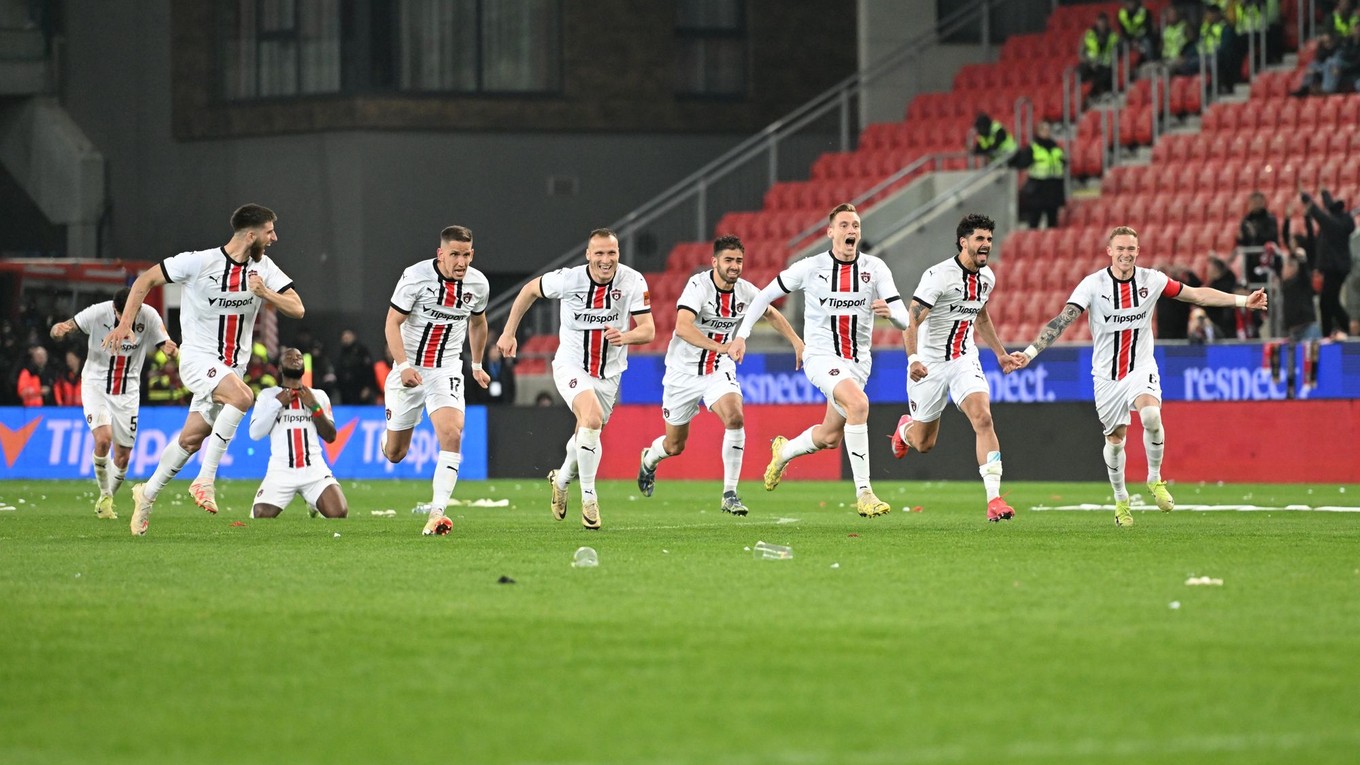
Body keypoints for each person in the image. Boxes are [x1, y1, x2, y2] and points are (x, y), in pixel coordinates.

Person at [1009, 226, 1267, 527]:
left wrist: (1241, 301)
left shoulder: (1152, 280)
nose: (1126, 254)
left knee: (1151, 417)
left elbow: (1196, 295)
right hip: (1106, 377)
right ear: (1110, 251)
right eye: (1120, 248)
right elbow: (1062, 321)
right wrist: (1029, 352)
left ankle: (1155, 480)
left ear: (1138, 251)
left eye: (1131, 249)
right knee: (1116, 441)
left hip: (1140, 367)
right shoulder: (1092, 285)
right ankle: (1121, 501)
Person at [106, 203, 304, 536]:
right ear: (251, 234)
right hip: (197, 359)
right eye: (269, 231)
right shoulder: (198, 262)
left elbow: (297, 309)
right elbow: (144, 280)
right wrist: (125, 323)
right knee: (242, 398)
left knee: (192, 439)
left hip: (231, 368)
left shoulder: (264, 268)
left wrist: (266, 293)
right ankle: (205, 480)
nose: (274, 238)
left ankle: (147, 494)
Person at [728, 203, 909, 518]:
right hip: (821, 356)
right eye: (844, 225)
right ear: (830, 232)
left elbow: (905, 320)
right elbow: (763, 296)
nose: (851, 231)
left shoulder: (875, 268)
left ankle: (783, 451)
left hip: (858, 364)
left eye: (855, 225)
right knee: (859, 404)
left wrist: (891, 314)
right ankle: (864, 493)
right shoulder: (811, 267)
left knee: (829, 437)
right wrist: (743, 335)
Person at [498, 228, 654, 531]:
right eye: (599, 253)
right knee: (592, 419)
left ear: (618, 254)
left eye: (611, 253)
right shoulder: (569, 279)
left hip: (609, 373)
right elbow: (530, 289)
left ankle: (562, 478)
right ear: (588, 255)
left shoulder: (633, 280)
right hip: (571, 365)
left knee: (587, 431)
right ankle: (589, 499)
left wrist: (626, 336)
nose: (606, 260)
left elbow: (648, 329)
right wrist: (508, 331)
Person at [636, 235, 804, 516]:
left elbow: (771, 313)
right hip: (682, 373)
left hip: (717, 368)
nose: (734, 266)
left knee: (735, 416)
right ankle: (649, 459)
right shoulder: (698, 286)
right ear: (715, 262)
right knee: (674, 445)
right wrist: (721, 346)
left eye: (738, 260)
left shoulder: (746, 291)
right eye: (728, 260)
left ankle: (730, 493)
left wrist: (797, 342)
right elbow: (683, 327)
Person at [889, 213, 1020, 520]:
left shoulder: (987, 278)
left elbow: (981, 316)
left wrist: (1000, 353)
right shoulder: (938, 276)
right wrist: (913, 359)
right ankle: (905, 429)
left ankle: (994, 500)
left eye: (989, 239)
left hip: (964, 358)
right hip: (930, 364)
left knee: (983, 418)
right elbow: (912, 319)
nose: (986, 244)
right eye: (979, 239)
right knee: (924, 443)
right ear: (964, 242)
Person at [381, 225, 491, 536]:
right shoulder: (415, 277)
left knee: (452, 434)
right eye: (454, 254)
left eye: (466, 255)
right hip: (410, 369)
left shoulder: (478, 284)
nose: (461, 262)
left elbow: (479, 323)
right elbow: (392, 322)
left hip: (446, 370)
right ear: (440, 253)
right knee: (395, 453)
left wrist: (477, 364)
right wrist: (402, 366)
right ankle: (386, 440)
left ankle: (437, 512)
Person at [49, 287, 176, 519]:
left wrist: (169, 348)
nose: (125, 318)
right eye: (121, 314)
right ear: (115, 309)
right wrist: (59, 329)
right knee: (103, 439)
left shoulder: (149, 315)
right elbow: (66, 326)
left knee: (123, 457)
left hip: (127, 391)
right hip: (95, 384)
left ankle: (106, 498)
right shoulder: (98, 313)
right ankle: (106, 495)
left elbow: (164, 341)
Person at [247, 347, 347, 519]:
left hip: (314, 469)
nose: (295, 359)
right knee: (261, 515)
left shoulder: (318, 396)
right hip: (281, 471)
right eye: (289, 356)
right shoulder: (268, 396)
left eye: (299, 356)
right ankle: (311, 501)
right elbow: (255, 434)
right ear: (279, 366)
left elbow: (330, 437)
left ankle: (313, 503)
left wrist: (314, 407)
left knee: (339, 513)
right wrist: (277, 404)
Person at [1302, 189, 1355, 337]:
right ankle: (1328, 335)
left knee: (1330, 301)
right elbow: (1328, 207)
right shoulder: (1342, 221)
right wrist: (1324, 192)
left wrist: (1309, 203)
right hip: (1333, 268)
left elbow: (1323, 218)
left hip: (1335, 268)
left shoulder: (1336, 225)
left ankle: (1349, 331)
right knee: (1326, 302)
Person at [1009, 121, 1066, 229]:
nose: (1047, 132)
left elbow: (1063, 163)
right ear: (1038, 132)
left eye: (1048, 130)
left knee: (1052, 221)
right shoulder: (1033, 148)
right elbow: (1022, 163)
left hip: (1054, 189)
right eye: (1044, 130)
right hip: (1038, 190)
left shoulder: (1056, 148)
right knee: (1034, 220)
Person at [1154, 263, 1201, 339]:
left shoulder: (1183, 291)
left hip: (1180, 336)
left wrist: (1187, 271)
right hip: (1164, 336)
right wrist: (1156, 271)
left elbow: (1197, 287)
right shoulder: (1161, 290)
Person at [465, 336, 516, 405]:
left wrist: (509, 401)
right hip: (484, 401)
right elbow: (472, 386)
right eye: (493, 351)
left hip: (503, 402)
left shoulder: (506, 369)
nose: (495, 353)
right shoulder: (481, 368)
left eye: (497, 351)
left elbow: (511, 386)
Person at [1080, 12, 1119, 98]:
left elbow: (1117, 49)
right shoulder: (1089, 34)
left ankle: (1101, 93)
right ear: (1097, 22)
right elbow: (1081, 53)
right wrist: (1090, 63)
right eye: (1100, 22)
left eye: (1104, 22)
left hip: (1105, 63)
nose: (1102, 24)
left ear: (1107, 23)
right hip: (1090, 63)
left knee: (1106, 73)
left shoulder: (1112, 35)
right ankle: (1089, 94)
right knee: (1081, 71)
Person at [334, 329, 375, 404]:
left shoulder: (362, 351)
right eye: (344, 337)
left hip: (360, 389)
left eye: (348, 336)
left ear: (354, 336)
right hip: (345, 391)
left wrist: (368, 387)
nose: (346, 339)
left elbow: (369, 370)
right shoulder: (341, 353)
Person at [1160, 5, 1194, 70]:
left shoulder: (1185, 26)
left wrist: (1184, 56)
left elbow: (1192, 44)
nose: (1172, 16)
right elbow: (1161, 47)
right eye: (1170, 14)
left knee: (1165, 70)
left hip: (1179, 59)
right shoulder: (1166, 30)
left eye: (1174, 14)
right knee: (1147, 69)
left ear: (1178, 14)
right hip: (1166, 59)